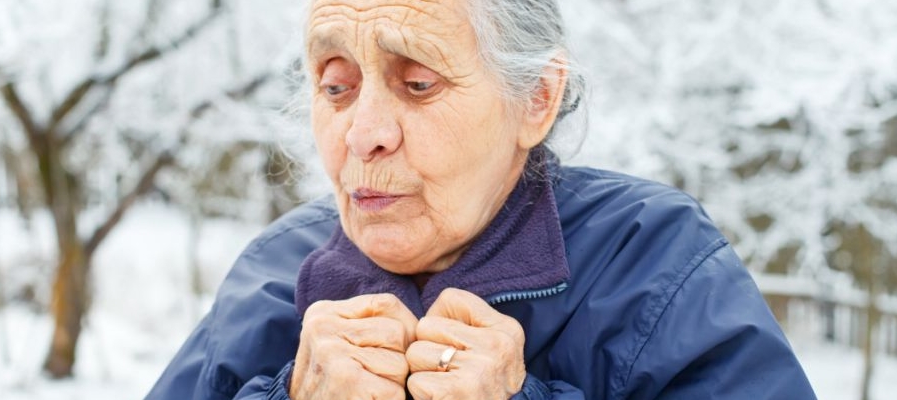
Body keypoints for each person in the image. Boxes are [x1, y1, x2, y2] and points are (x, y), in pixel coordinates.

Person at [146, 0, 817, 398]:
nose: (363, 134)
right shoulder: (271, 271)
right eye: (335, 85)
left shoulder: (654, 263)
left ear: (536, 100)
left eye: (417, 83)